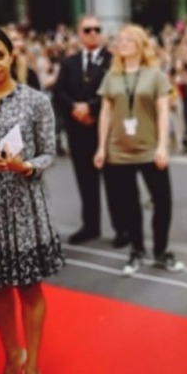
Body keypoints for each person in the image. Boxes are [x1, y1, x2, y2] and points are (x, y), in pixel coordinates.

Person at [0, 27, 63, 374]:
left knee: (28, 290)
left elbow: (50, 153)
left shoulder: (35, 101)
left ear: (11, 57)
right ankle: (12, 357)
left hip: (25, 208)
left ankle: (33, 369)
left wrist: (26, 166)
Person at [94, 24, 182, 276]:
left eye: (129, 39)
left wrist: (163, 146)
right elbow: (105, 114)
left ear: (141, 44)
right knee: (128, 203)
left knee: (162, 201)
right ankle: (136, 249)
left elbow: (164, 111)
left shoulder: (155, 75)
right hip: (118, 151)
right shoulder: (111, 76)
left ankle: (161, 251)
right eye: (120, 40)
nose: (122, 43)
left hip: (150, 148)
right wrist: (101, 147)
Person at [55, 15, 128, 246]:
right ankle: (91, 225)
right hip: (78, 131)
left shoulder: (113, 60)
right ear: (80, 34)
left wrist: (91, 108)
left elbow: (117, 90)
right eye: (87, 30)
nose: (93, 33)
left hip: (105, 129)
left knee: (114, 182)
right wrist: (75, 108)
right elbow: (59, 93)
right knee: (86, 181)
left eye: (97, 29)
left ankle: (121, 228)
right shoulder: (70, 62)